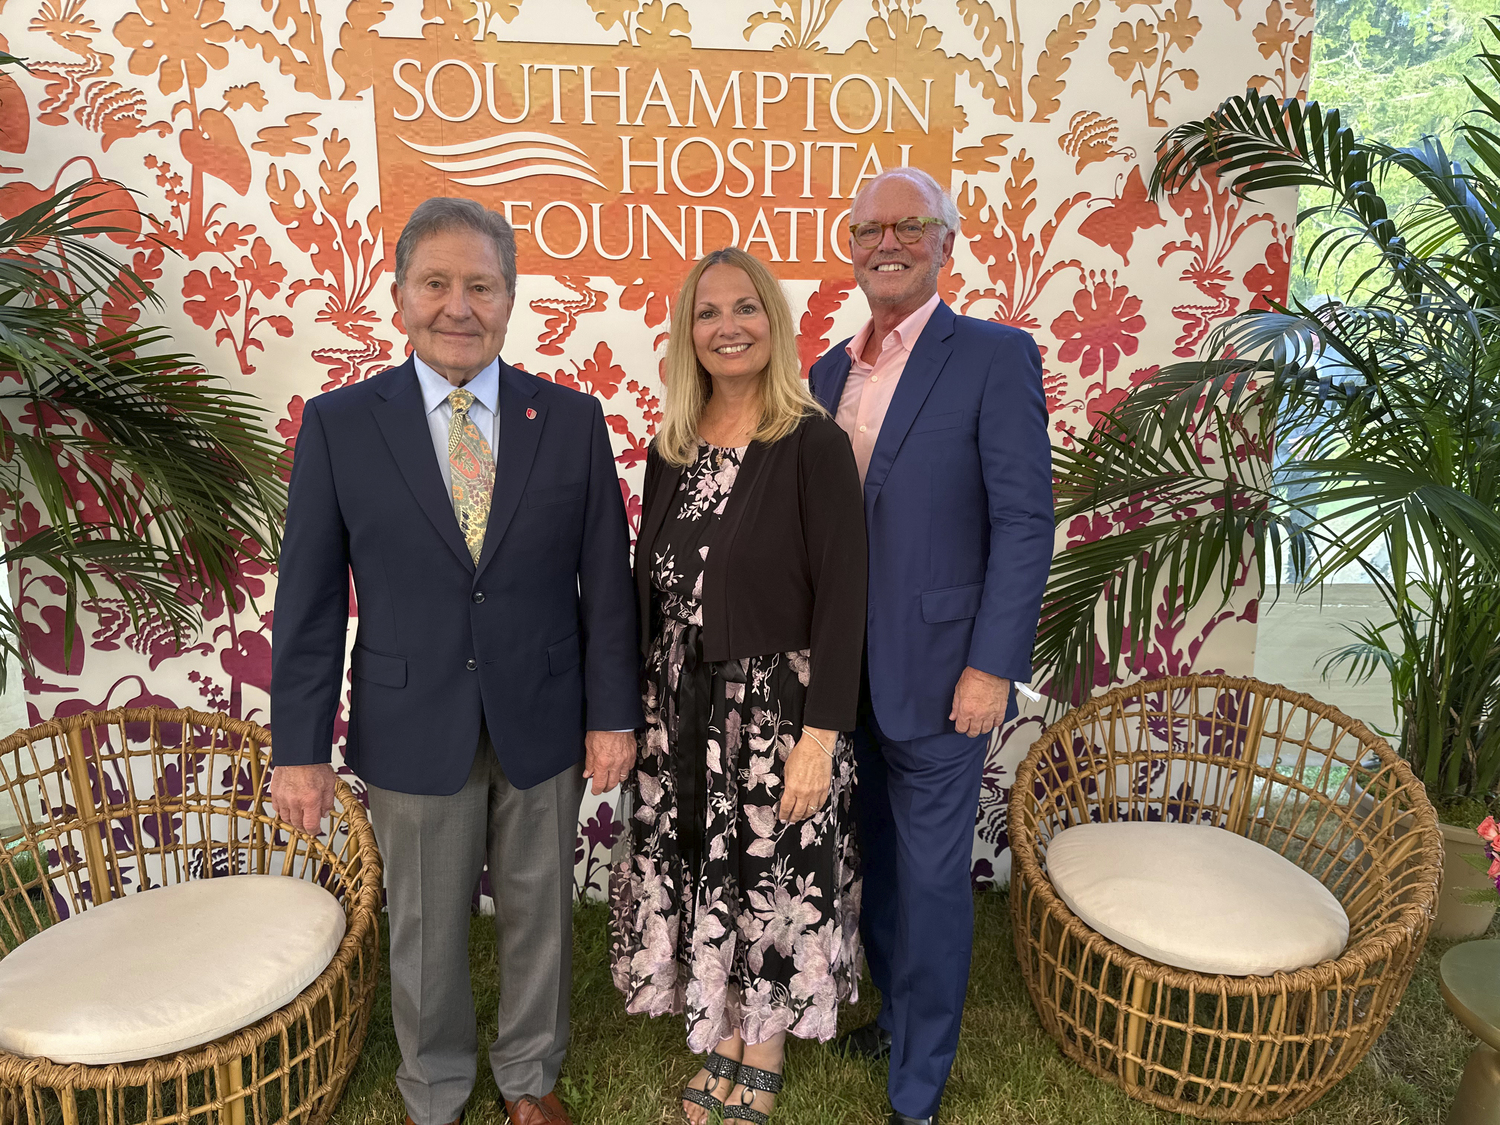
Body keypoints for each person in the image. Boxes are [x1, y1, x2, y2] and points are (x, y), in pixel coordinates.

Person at [269, 197, 641, 1125]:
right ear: (399, 298)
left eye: (480, 285)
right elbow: (309, 602)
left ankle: (530, 1075)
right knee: (427, 925)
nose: (458, 305)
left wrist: (612, 714)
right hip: (410, 715)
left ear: (510, 298)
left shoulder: (569, 418)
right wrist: (298, 748)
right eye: (436, 283)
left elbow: (607, 579)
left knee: (540, 910)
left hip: (545, 712)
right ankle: (434, 1083)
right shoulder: (342, 423)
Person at [807, 168, 1054, 1125]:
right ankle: (893, 1015)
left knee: (934, 875)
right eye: (868, 227)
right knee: (872, 855)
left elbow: (1025, 521)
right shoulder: (827, 372)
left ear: (946, 241)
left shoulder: (993, 356)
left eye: (911, 225)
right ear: (852, 246)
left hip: (948, 675)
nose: (888, 241)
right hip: (841, 678)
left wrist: (992, 665)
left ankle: (921, 1076)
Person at [609, 247, 868, 1125]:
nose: (729, 326)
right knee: (704, 870)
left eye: (746, 307)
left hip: (772, 710)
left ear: (776, 324)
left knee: (766, 873)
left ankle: (762, 1049)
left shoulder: (811, 441)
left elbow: (845, 597)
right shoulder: (671, 446)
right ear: (689, 333)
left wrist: (820, 738)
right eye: (709, 311)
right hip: (680, 700)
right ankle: (722, 1029)